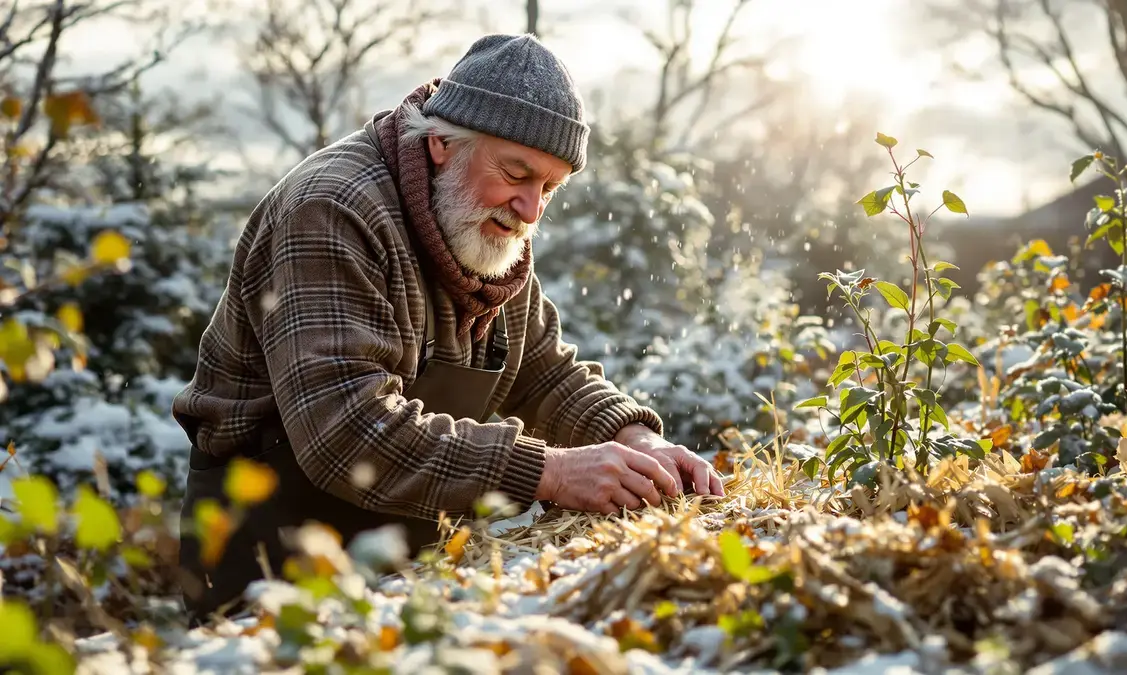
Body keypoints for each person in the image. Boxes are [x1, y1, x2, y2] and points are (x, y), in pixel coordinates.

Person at [171, 33, 724, 623]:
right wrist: (552, 471)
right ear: (440, 142)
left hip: (404, 552)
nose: (531, 210)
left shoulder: (479, 229)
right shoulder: (332, 209)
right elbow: (346, 433)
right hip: (269, 551)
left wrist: (634, 438)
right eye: (517, 173)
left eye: (550, 187)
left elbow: (542, 372)